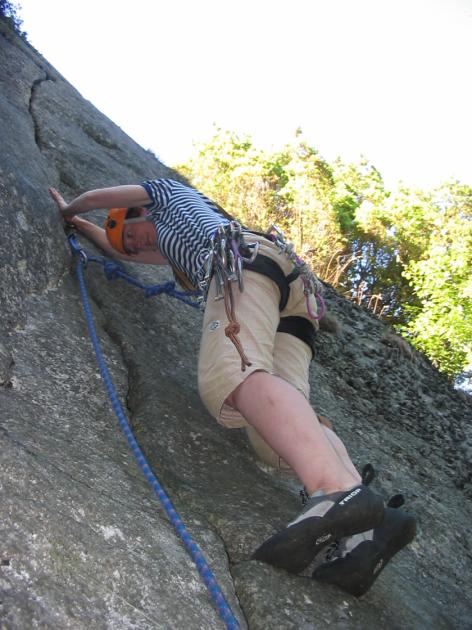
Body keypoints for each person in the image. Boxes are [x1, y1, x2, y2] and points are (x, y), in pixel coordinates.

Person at [49, 177, 415, 593]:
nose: (135, 244)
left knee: (231, 376)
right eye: (132, 245)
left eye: (132, 233)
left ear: (141, 212)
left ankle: (334, 490)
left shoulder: (167, 196)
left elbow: (100, 197)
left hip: (245, 264)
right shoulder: (170, 246)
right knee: (274, 434)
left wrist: (70, 208)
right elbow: (114, 248)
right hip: (292, 300)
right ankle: (368, 530)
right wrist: (82, 227)